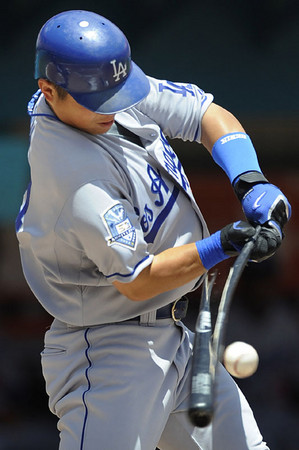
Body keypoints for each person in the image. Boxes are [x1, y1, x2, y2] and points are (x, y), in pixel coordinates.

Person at [16, 10, 291, 450]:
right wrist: (223, 244)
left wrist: (250, 180)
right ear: (49, 90)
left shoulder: (108, 89)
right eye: (98, 100)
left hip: (176, 334)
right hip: (110, 351)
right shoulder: (72, 174)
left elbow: (204, 113)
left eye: (117, 92)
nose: (114, 106)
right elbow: (139, 280)